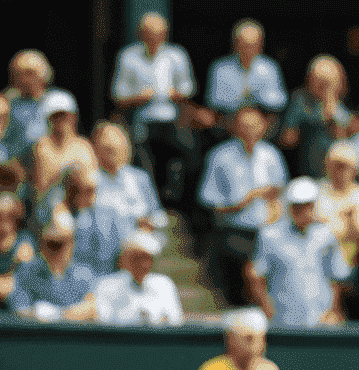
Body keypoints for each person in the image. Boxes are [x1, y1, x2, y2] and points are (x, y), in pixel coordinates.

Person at [197, 103, 288, 308]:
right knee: (239, 292)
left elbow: (281, 196)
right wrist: (241, 203)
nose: (250, 129)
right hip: (234, 232)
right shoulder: (219, 156)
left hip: (267, 232)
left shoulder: (272, 155)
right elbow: (209, 201)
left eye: (255, 124)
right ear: (235, 127)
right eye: (244, 125)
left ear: (264, 126)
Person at [112, 13, 199, 205]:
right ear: (140, 35)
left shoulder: (177, 55)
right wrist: (139, 97)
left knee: (189, 153)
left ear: (165, 35)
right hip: (141, 119)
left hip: (172, 119)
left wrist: (174, 93)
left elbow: (188, 88)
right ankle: (148, 203)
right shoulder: (128, 57)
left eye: (158, 34)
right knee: (143, 163)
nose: (153, 39)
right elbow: (118, 95)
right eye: (149, 35)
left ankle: (179, 204)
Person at [248, 178, 349, 328]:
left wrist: (333, 309)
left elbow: (336, 276)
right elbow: (256, 275)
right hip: (283, 320)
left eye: (306, 205)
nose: (301, 210)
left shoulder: (326, 235)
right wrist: (267, 308)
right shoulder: (269, 235)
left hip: (320, 320)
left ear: (314, 205)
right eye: (296, 206)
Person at [315, 141, 359, 311]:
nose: (340, 170)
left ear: (355, 169)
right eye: (336, 165)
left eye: (345, 166)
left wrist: (351, 223)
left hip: (353, 268)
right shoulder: (316, 193)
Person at [8, 209, 97, 319]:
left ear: (71, 243)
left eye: (59, 244)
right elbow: (19, 310)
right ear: (42, 242)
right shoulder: (27, 272)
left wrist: (56, 315)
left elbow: (92, 309)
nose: (54, 251)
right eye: (50, 244)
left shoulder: (84, 275)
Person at [279, 56, 352, 181]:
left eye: (327, 82)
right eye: (320, 81)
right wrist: (306, 125)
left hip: (332, 177)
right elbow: (287, 139)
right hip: (305, 174)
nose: (323, 86)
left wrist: (331, 106)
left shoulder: (339, 107)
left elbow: (343, 141)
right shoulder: (300, 100)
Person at [205, 20, 287, 131]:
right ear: (235, 44)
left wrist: (256, 96)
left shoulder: (270, 67)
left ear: (260, 45)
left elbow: (280, 101)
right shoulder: (220, 68)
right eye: (244, 45)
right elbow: (213, 100)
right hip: (229, 121)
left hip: (261, 119)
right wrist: (239, 101)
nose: (248, 50)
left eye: (253, 45)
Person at [93, 230, 184, 325]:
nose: (143, 264)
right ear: (125, 258)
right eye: (137, 258)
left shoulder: (164, 284)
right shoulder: (107, 285)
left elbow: (176, 321)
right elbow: (102, 321)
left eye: (148, 258)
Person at [91, 121, 166, 231]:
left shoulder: (140, 178)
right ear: (95, 148)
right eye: (108, 149)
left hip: (138, 239)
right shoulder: (90, 179)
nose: (113, 150)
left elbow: (159, 215)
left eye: (116, 147)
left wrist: (150, 222)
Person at [58, 165, 127, 279]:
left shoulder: (109, 216)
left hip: (106, 279)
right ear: (69, 190)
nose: (92, 197)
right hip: (69, 280)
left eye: (94, 190)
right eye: (85, 191)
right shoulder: (55, 215)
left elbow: (120, 253)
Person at [30, 92, 96, 201]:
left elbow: (92, 183)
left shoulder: (85, 146)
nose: (60, 121)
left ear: (73, 117)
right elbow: (43, 187)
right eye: (55, 117)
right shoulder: (42, 145)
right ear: (48, 120)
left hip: (83, 204)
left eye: (64, 116)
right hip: (53, 205)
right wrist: (69, 172)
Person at [5, 50, 54, 143]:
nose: (23, 80)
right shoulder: (10, 103)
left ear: (42, 74)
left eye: (28, 74)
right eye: (18, 74)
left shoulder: (56, 102)